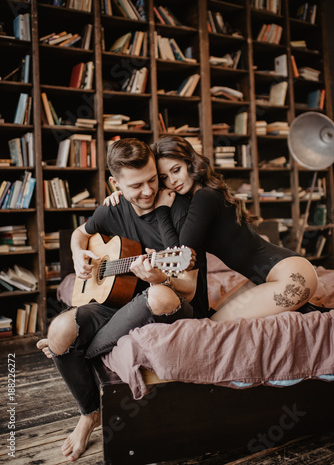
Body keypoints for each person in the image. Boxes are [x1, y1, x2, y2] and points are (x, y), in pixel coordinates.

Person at [37, 137, 208, 462]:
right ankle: (89, 414)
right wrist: (77, 255)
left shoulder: (180, 208)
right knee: (59, 329)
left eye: (151, 180)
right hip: (119, 302)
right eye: (135, 186)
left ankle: (72, 353)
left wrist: (159, 276)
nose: (147, 191)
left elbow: (187, 288)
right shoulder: (111, 208)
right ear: (114, 183)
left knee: (157, 294)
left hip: (172, 301)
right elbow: (80, 234)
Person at [106, 135, 318, 322]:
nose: (173, 181)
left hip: (290, 273)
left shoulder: (205, 197)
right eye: (163, 178)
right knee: (212, 316)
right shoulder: (192, 199)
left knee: (214, 327)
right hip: (263, 277)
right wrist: (123, 195)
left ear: (190, 162)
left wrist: (162, 209)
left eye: (176, 170)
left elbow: (179, 254)